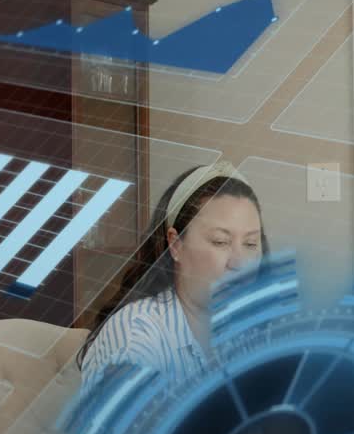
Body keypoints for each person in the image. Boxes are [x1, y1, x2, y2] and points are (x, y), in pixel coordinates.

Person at [75, 161, 269, 384]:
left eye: (251, 244)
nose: (240, 262)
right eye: (220, 241)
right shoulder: (136, 335)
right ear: (176, 245)